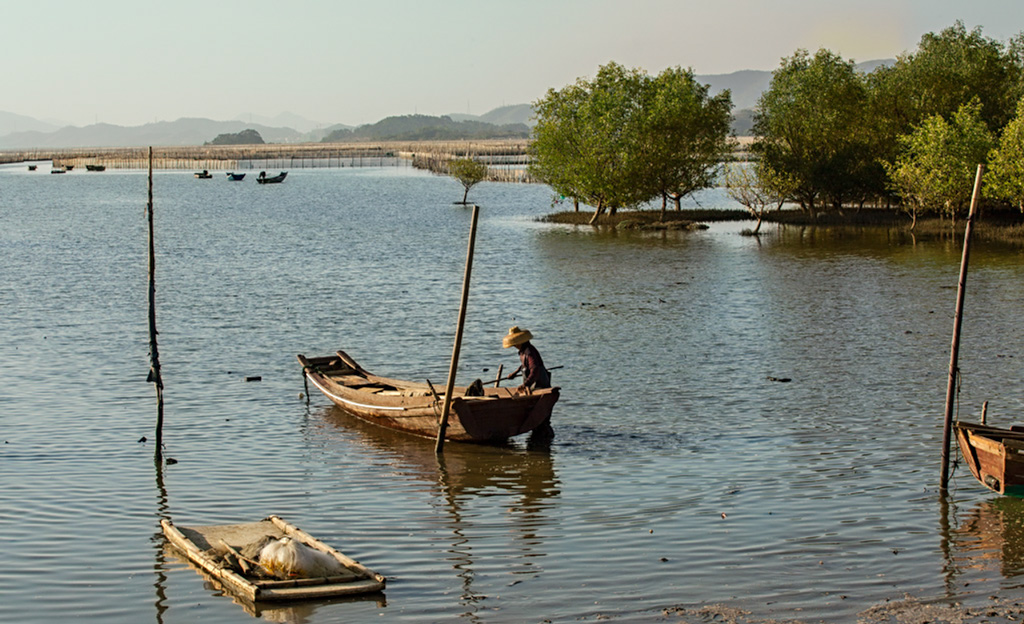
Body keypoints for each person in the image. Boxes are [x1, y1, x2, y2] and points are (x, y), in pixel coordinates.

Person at [503, 326, 550, 390]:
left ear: (519, 342)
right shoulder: (523, 351)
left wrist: (525, 384)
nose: (514, 346)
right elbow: (524, 365)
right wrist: (515, 373)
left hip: (539, 385)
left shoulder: (529, 352)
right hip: (532, 384)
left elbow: (535, 369)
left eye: (515, 344)